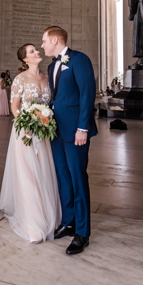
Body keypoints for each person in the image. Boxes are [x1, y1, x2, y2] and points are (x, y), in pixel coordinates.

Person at [0, 44, 61, 243]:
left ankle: (48, 215)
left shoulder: (48, 78)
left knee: (44, 172)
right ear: (25, 59)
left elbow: (50, 105)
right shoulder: (20, 79)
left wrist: (45, 121)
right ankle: (32, 222)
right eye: (31, 51)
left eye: (36, 49)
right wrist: (28, 123)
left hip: (44, 133)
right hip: (25, 132)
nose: (36, 52)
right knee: (28, 175)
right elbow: (14, 106)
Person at [42, 25, 97, 255]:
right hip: (56, 130)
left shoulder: (79, 59)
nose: (42, 45)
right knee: (63, 178)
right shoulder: (51, 65)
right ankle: (69, 221)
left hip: (75, 131)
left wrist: (82, 127)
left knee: (77, 178)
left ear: (55, 40)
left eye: (44, 40)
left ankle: (82, 232)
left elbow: (87, 93)